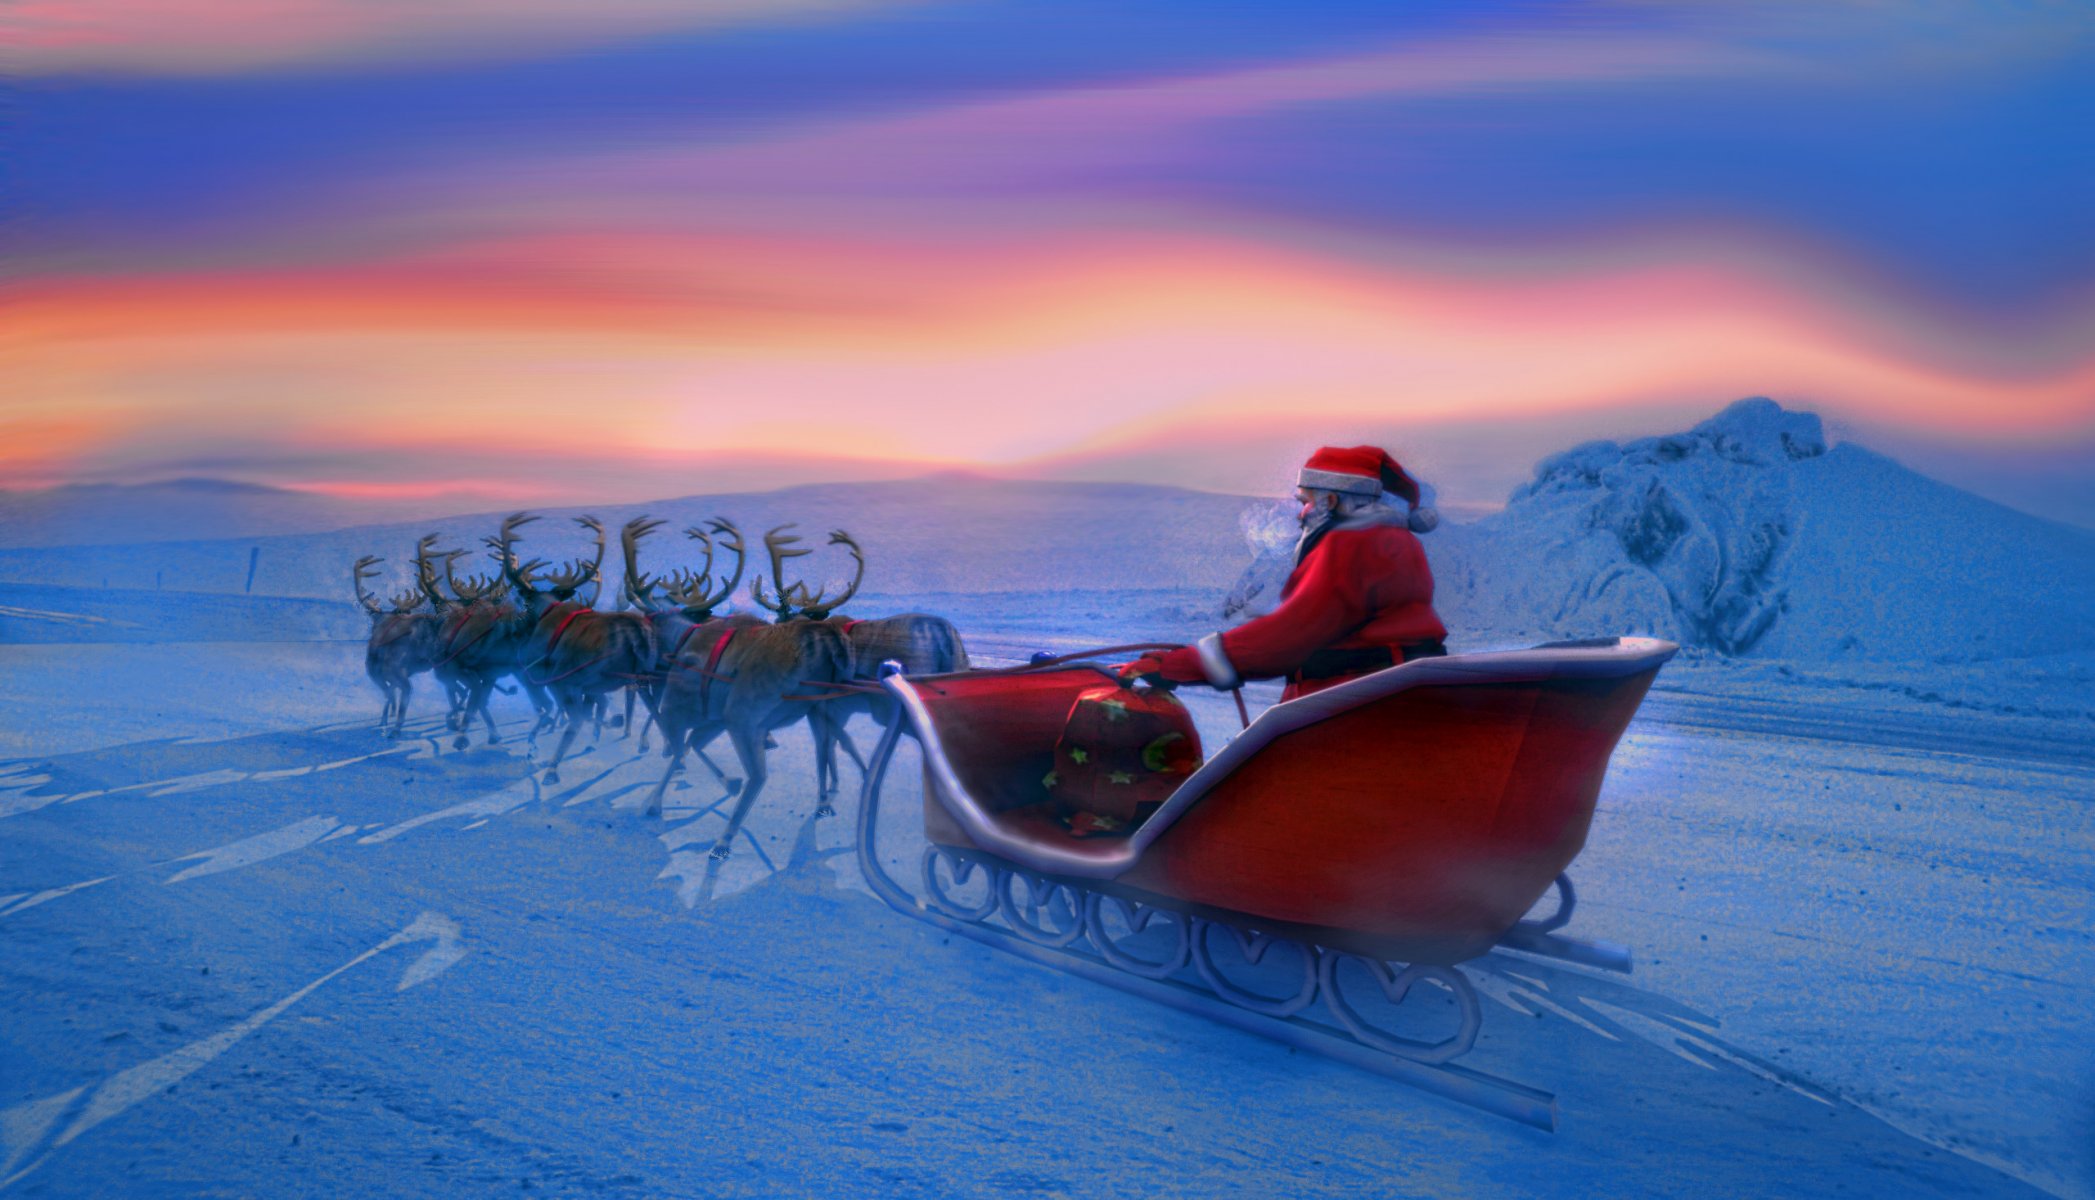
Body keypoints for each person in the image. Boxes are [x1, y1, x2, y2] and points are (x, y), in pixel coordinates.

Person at [1120, 445, 1446, 701]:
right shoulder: (1394, 540)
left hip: (1345, 702)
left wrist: (1178, 665)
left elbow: (1288, 636)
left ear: (1331, 501)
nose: (1300, 515)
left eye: (1305, 502)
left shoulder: (1353, 543)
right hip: (1379, 692)